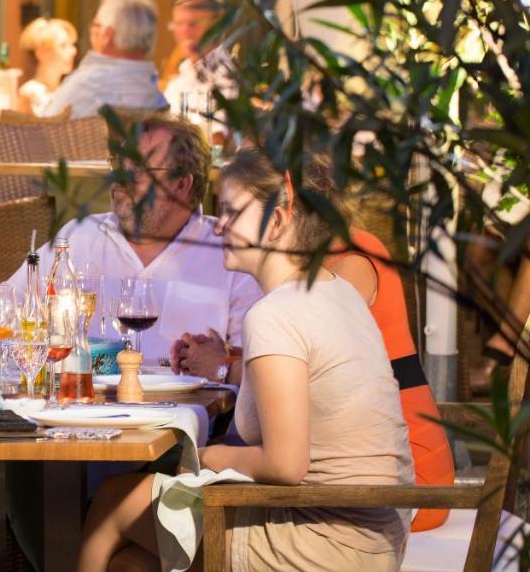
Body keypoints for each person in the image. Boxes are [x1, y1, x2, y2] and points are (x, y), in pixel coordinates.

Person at [40, 148, 414, 572]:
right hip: (376, 532)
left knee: (114, 499)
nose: (219, 227)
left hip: (329, 540)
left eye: (234, 212)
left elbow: (284, 465)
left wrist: (206, 458)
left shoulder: (277, 314)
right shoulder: (333, 291)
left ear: (278, 219)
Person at [173, 162, 456, 531]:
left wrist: (221, 367)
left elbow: (310, 360)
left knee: (158, 505)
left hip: (398, 483)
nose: (220, 223)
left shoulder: (348, 261)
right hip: (357, 484)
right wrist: (226, 356)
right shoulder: (315, 272)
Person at [5, 115, 261, 360]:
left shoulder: (227, 252)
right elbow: (6, 314)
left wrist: (218, 362)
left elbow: (249, 359)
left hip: (189, 404)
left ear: (181, 184)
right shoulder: (79, 238)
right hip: (86, 400)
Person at [40, 0, 167, 119]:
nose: (91, 31)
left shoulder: (89, 83)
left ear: (107, 35)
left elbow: (44, 128)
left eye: (95, 25)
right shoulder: (154, 93)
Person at [161, 0, 238, 118]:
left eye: (193, 24)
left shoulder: (227, 77)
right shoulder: (179, 80)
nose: (185, 31)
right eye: (179, 24)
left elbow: (219, 134)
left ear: (215, 28)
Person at [17, 16, 78, 116]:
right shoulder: (30, 93)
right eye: (63, 46)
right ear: (41, 53)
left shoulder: (67, 91)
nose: (73, 51)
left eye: (72, 45)